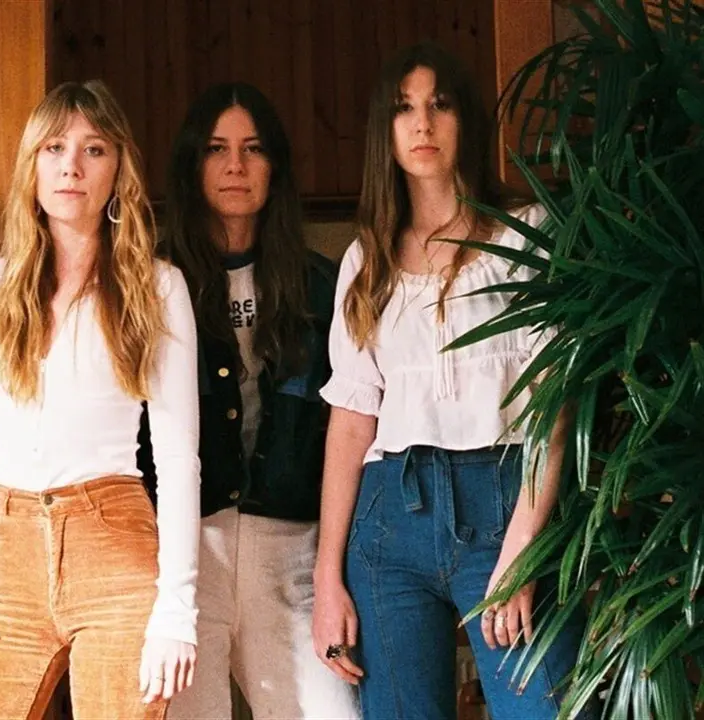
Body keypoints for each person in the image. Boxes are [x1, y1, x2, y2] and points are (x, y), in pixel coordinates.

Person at [312, 42, 586, 718]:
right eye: (403, 108)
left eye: (439, 104)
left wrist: (522, 552)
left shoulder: (525, 238)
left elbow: (556, 404)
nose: (422, 123)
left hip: (506, 503)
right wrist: (327, 578)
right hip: (389, 522)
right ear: (385, 130)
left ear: (466, 119)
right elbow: (351, 421)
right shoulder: (366, 260)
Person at [0, 80, 200, 720]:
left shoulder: (157, 288)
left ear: (118, 170)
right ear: (32, 163)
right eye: (54, 148)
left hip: (113, 539)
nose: (71, 167)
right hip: (5, 548)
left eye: (94, 149)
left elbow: (177, 459)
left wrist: (177, 609)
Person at [140, 81, 360, 719]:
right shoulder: (152, 284)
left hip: (293, 549)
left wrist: (332, 571)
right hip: (186, 550)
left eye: (253, 148)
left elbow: (350, 427)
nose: (235, 165)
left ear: (275, 166)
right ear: (193, 165)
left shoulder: (322, 286)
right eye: (217, 149)